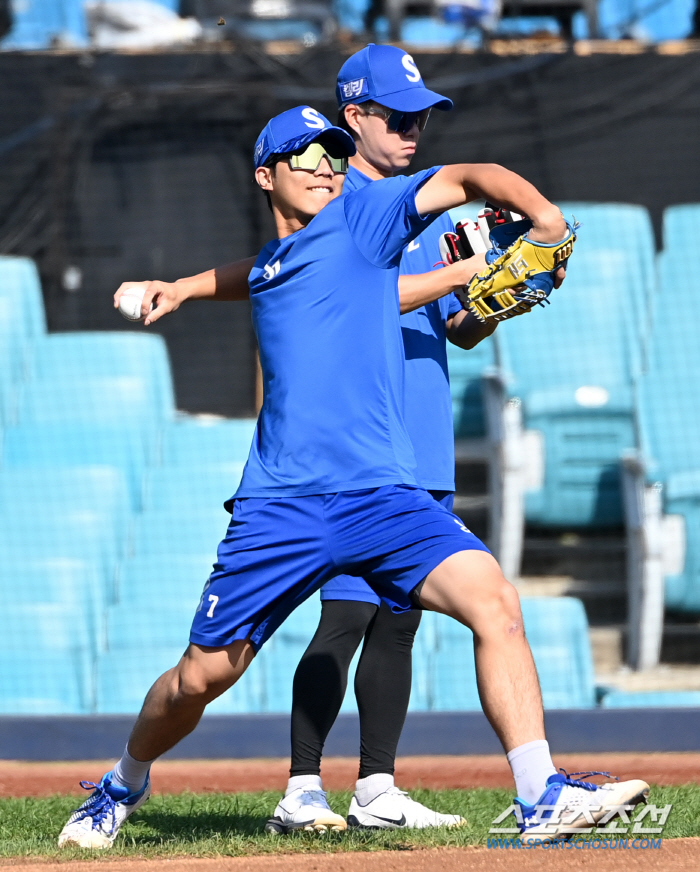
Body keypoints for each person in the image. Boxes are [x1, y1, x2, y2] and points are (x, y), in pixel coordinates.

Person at [60, 103, 648, 851]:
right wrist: (178, 287)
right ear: (266, 175)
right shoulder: (284, 259)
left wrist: (542, 219)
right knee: (199, 679)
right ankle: (123, 781)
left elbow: (473, 177)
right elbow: (261, 272)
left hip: (383, 495)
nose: (324, 167)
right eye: (303, 156)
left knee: (496, 603)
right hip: (281, 506)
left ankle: (541, 794)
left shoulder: (364, 218)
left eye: (332, 155)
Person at [113, 44, 495, 834]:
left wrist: (500, 295)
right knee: (345, 619)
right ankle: (301, 783)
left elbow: (455, 330)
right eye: (399, 115)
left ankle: (378, 785)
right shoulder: (343, 202)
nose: (415, 129)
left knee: (397, 621)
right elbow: (309, 281)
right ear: (356, 117)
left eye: (424, 117)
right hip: (354, 447)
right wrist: (181, 285)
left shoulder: (420, 212)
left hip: (417, 427)